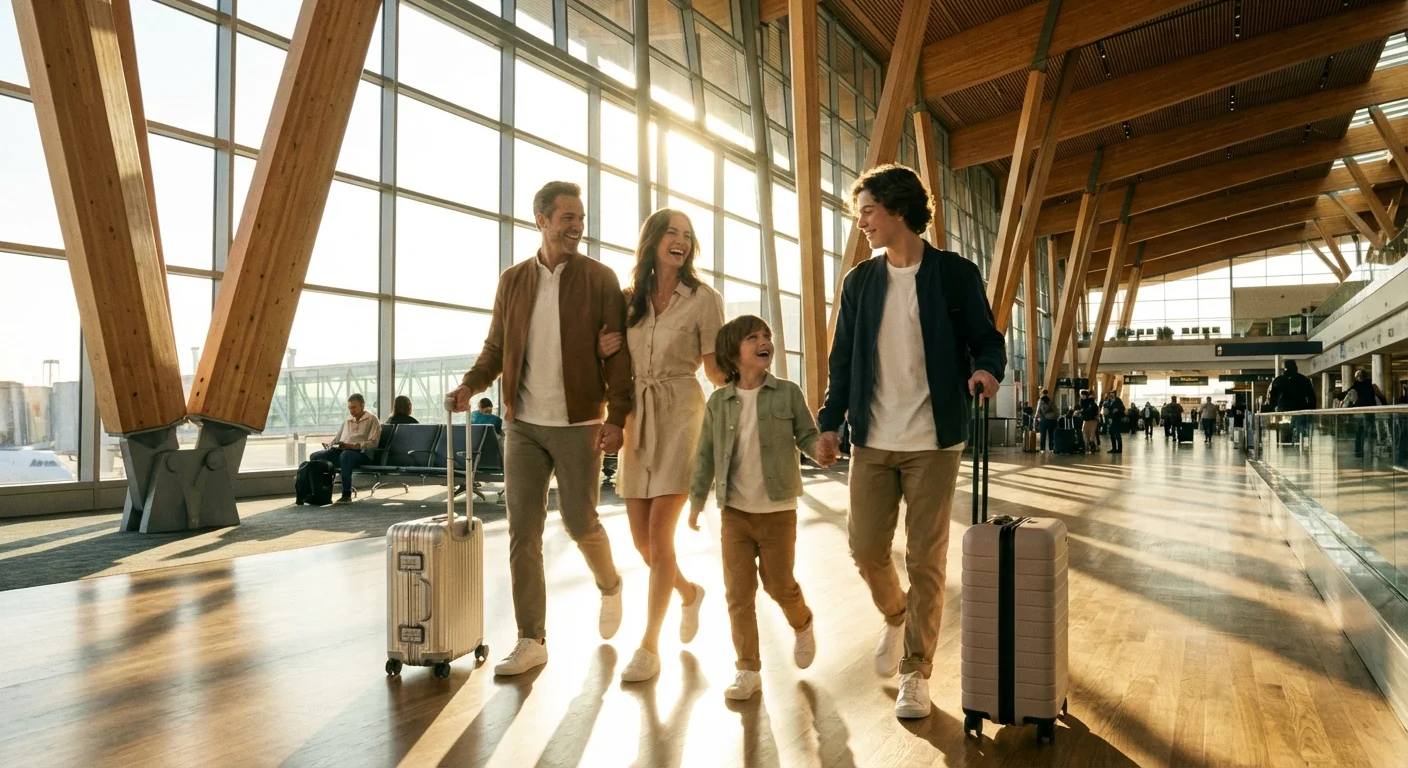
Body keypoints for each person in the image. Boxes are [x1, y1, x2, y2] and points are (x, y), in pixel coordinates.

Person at [814, 164, 1005, 719]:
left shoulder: (954, 274)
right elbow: (842, 363)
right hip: (872, 439)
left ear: (898, 209)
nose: (862, 223)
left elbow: (988, 340)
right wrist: (830, 422)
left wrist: (986, 369)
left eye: (868, 211)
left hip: (933, 441)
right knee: (865, 549)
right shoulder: (860, 283)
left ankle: (916, 672)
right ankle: (895, 616)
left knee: (925, 558)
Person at [445, 181, 632, 678]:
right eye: (568, 217)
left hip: (579, 422)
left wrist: (617, 417)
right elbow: (495, 348)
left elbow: (619, 355)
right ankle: (532, 638)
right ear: (542, 220)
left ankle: (610, 583)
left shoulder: (600, 278)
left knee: (579, 521)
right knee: (522, 533)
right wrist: (470, 385)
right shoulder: (512, 281)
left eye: (581, 218)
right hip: (523, 425)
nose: (577, 227)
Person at [594, 208, 726, 683]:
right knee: (641, 542)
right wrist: (602, 351)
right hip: (638, 417)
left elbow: (714, 369)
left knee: (660, 536)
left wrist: (748, 390)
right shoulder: (629, 300)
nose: (681, 241)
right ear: (652, 240)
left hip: (683, 414)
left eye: (687, 235)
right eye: (672, 232)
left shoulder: (704, 299)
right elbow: (613, 361)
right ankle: (689, 594)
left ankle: (649, 645)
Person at [688, 315, 831, 701]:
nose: (764, 341)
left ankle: (802, 622)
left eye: (767, 335)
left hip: (778, 510)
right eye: (753, 337)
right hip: (734, 513)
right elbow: (705, 455)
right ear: (733, 352)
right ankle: (747, 668)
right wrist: (696, 502)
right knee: (738, 593)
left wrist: (819, 450)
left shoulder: (787, 392)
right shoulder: (719, 402)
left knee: (778, 584)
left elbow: (806, 435)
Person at [309, 394, 381, 505]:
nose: (352, 411)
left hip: (362, 454)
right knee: (316, 456)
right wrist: (330, 445)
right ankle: (318, 493)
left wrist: (352, 446)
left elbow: (373, 443)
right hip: (344, 452)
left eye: (354, 407)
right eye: (350, 408)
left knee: (346, 455)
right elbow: (337, 438)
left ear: (362, 405)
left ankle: (346, 494)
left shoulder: (372, 419)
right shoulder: (348, 421)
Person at [1343, 369, 1387, 458]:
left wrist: (1347, 413)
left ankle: (1359, 451)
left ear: (1358, 378)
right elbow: (1382, 397)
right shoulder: (1372, 386)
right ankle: (1369, 451)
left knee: (1359, 432)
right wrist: (1385, 406)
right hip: (1369, 412)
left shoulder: (1355, 388)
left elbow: (1347, 400)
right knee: (1369, 432)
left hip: (1358, 413)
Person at [1078, 389, 1100, 453]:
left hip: (1092, 419)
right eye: (1081, 395)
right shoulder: (1082, 402)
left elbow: (1093, 409)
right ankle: (1088, 446)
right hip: (1086, 419)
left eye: (1083, 395)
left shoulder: (1090, 402)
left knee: (1092, 433)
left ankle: (1093, 446)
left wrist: (1082, 411)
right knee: (1085, 432)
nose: (1082, 397)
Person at [1035, 388, 1057, 453]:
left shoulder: (1040, 400)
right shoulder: (1050, 400)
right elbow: (1055, 409)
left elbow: (1038, 410)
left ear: (1042, 393)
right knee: (1051, 435)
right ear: (1047, 393)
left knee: (1043, 434)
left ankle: (1042, 449)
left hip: (1044, 419)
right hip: (1052, 419)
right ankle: (1051, 448)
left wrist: (1036, 417)